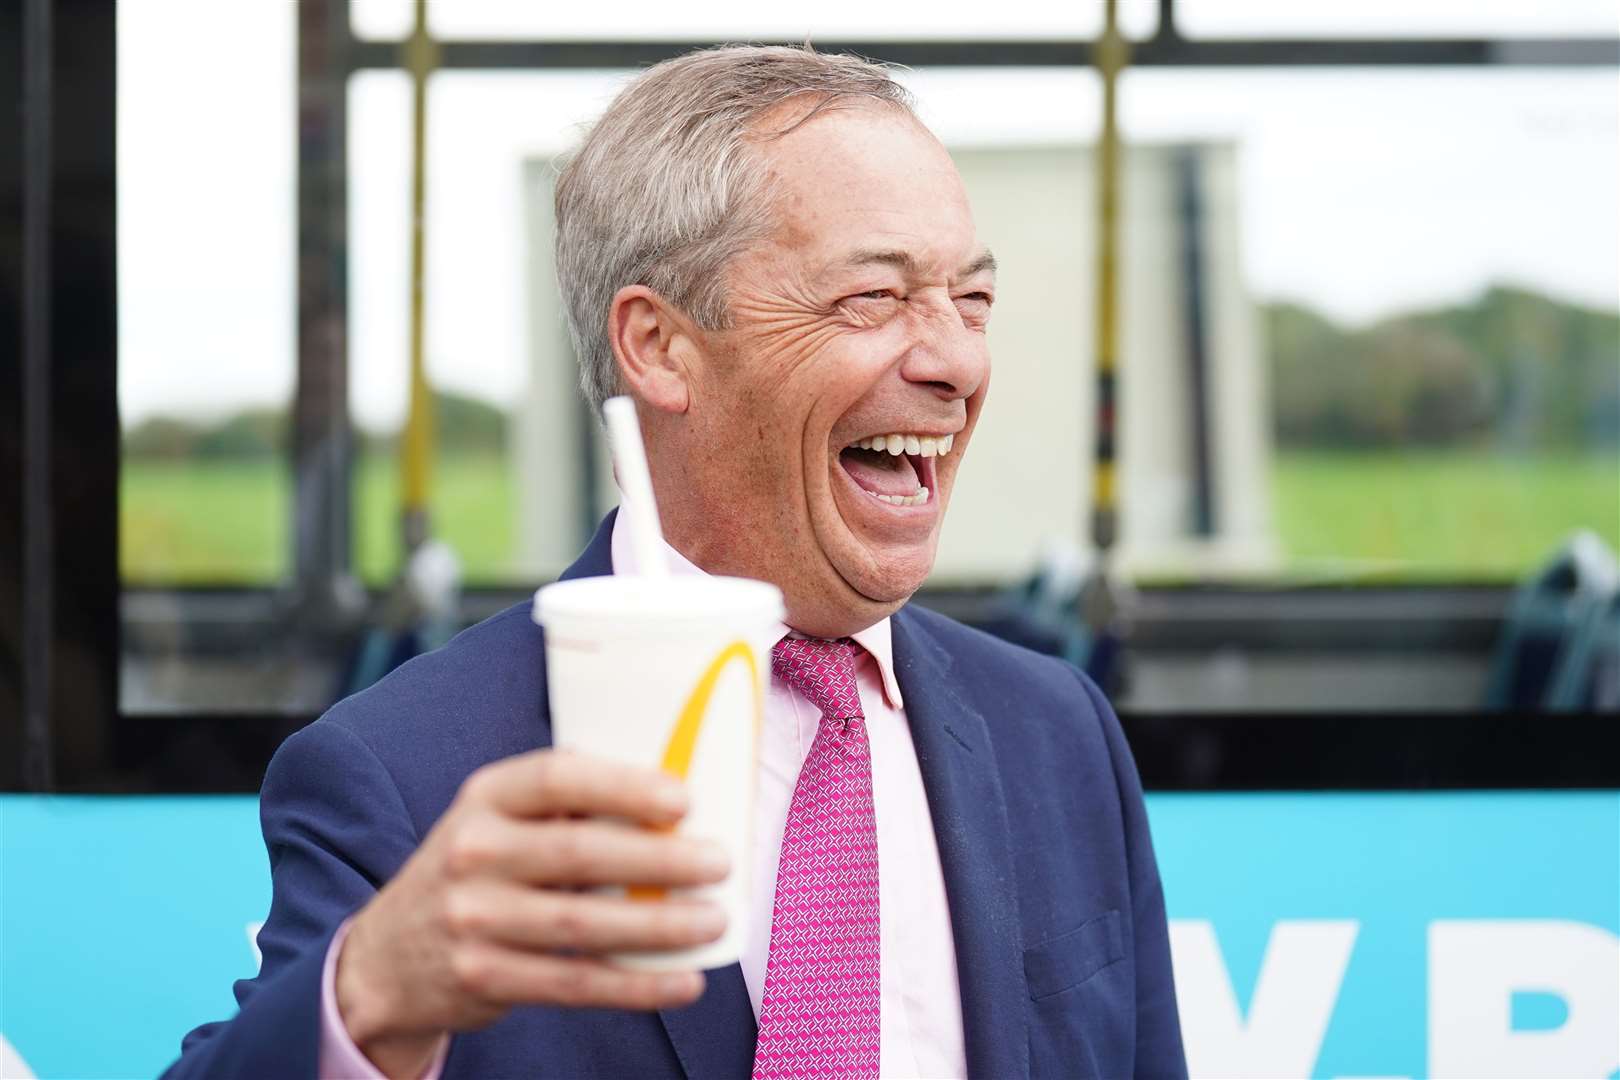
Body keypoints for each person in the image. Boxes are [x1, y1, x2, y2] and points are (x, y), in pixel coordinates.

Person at [163, 45, 1186, 1080]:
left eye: (971, 302)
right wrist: (371, 996)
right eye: (875, 297)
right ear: (658, 346)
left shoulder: (1058, 735)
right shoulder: (401, 772)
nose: (957, 362)